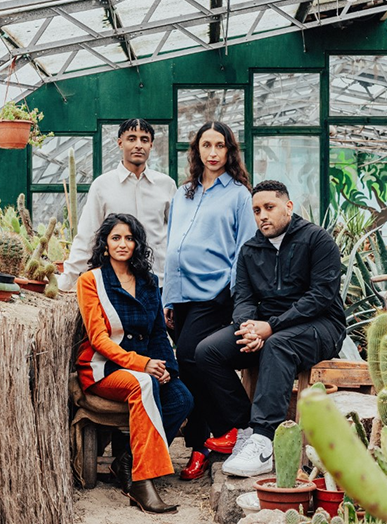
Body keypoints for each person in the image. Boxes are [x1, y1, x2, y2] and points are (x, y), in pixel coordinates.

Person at [195, 180, 345, 477]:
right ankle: (247, 431)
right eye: (256, 210)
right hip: (267, 326)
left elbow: (320, 297)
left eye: (269, 207)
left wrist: (271, 328)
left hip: (320, 326)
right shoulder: (251, 250)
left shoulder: (318, 240)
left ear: (288, 207)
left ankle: (264, 442)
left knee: (279, 345)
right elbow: (244, 298)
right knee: (207, 352)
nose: (262, 215)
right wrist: (248, 328)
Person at [75, 213, 192, 513]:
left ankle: (126, 461)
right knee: (143, 383)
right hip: (104, 368)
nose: (123, 244)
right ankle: (141, 482)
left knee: (182, 398)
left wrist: (167, 369)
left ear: (137, 244)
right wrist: (144, 365)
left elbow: (156, 332)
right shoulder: (92, 281)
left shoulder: (148, 282)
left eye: (129, 238)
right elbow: (99, 339)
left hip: (146, 366)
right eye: (116, 238)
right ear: (105, 244)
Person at [163, 121, 257, 481]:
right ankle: (202, 446)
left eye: (221, 145)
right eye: (207, 145)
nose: (213, 152)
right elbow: (172, 244)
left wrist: (232, 296)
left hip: (214, 294)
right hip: (180, 295)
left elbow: (244, 250)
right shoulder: (182, 193)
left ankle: (238, 425)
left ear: (230, 151)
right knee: (187, 368)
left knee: (191, 356)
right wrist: (168, 298)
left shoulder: (238, 195)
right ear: (197, 150)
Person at [60, 119, 176, 291]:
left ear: (151, 145)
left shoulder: (166, 185)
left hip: (158, 283)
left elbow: (177, 236)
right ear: (120, 143)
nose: (138, 145)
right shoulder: (102, 185)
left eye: (144, 140)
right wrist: (66, 281)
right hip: (116, 285)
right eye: (131, 138)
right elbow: (87, 236)